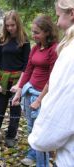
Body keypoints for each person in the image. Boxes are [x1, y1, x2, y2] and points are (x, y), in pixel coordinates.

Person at [28, 0, 74, 166]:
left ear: (72, 14)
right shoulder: (36, 48)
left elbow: (61, 100)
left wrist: (39, 138)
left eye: (59, 16)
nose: (58, 22)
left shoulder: (68, 52)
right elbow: (28, 69)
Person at [12, 15, 59, 166]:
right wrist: (19, 92)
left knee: (41, 128)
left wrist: (39, 100)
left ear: (47, 32)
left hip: (42, 95)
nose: (33, 35)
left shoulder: (54, 49)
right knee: (30, 125)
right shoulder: (35, 48)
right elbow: (27, 70)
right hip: (29, 91)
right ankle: (34, 151)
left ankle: (42, 158)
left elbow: (53, 77)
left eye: (37, 32)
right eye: (32, 32)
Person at [0, 10, 30, 149]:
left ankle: (11, 136)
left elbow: (26, 65)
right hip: (3, 80)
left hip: (17, 80)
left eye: (13, 25)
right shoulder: (2, 39)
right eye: (7, 25)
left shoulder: (24, 40)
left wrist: (20, 85)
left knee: (15, 110)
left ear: (18, 24)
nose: (10, 28)